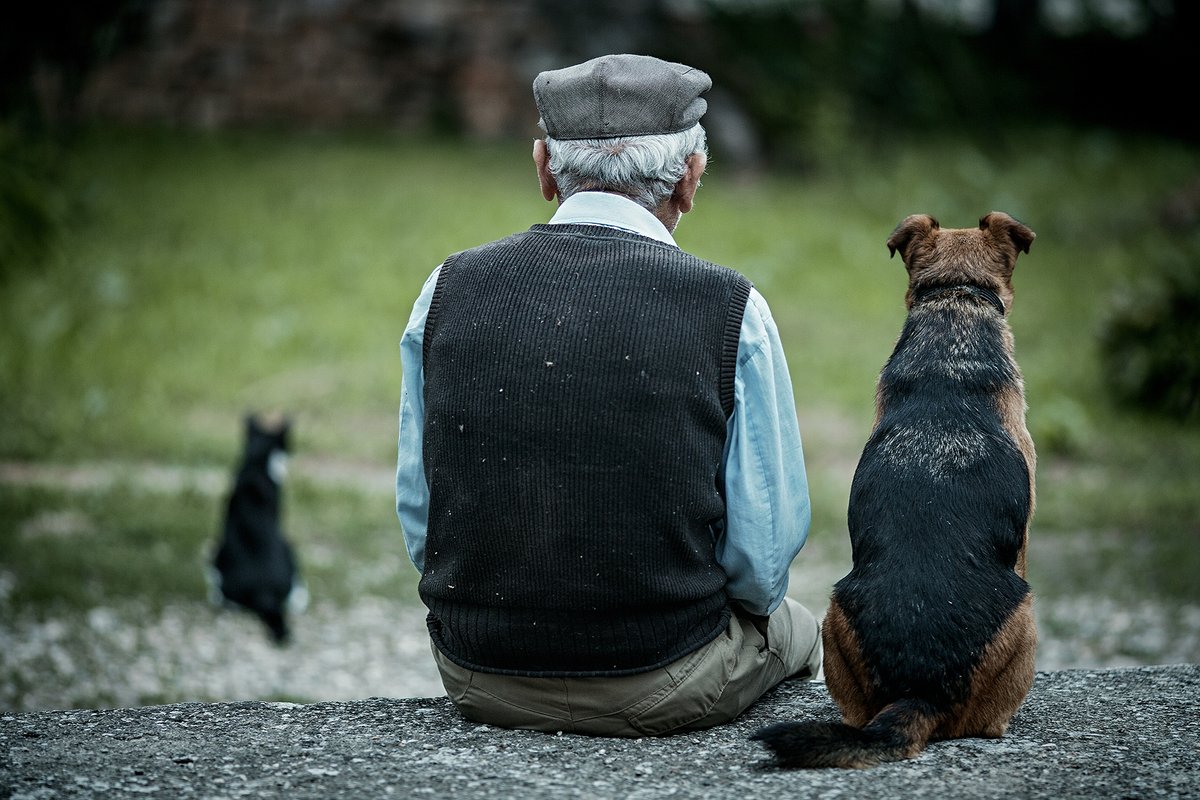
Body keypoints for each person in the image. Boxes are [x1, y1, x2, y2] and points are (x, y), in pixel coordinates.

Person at [395, 53, 819, 737]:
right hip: (665, 675)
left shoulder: (446, 288)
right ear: (690, 177)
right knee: (800, 628)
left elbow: (422, 517)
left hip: (479, 674)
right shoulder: (733, 308)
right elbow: (761, 564)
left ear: (543, 168)